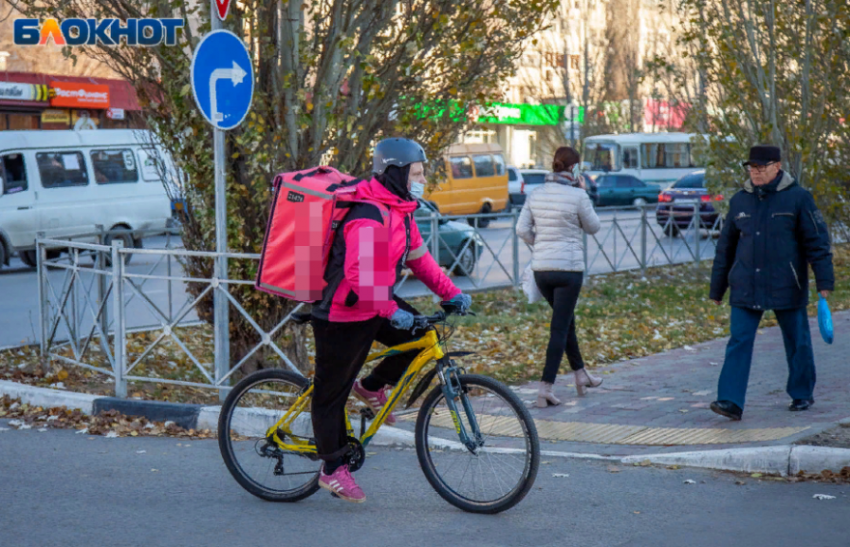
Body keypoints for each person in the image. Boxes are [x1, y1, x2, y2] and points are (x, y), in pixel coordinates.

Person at [309, 138, 472, 503]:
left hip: (376, 302)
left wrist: (451, 293)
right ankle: (332, 469)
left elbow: (421, 261)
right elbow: (357, 275)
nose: (422, 179)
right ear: (395, 173)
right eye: (417, 172)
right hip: (342, 312)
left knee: (422, 334)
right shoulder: (367, 214)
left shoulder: (401, 210)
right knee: (330, 394)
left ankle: (371, 386)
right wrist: (390, 311)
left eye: (422, 172)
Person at [708, 145, 834, 421]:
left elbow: (817, 243)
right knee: (739, 340)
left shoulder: (799, 199)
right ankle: (730, 400)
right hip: (746, 284)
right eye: (751, 168)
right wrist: (717, 288)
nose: (755, 172)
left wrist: (824, 281)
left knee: (797, 340)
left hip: (786, 282)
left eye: (760, 167)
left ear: (777, 166)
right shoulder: (740, 200)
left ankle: (801, 393)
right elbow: (725, 248)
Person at [516, 146, 602, 408]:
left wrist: (539, 246)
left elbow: (522, 229)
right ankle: (545, 389)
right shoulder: (578, 196)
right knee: (560, 328)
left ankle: (581, 374)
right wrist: (583, 191)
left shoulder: (536, 193)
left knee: (566, 323)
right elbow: (593, 227)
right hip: (568, 272)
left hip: (542, 271)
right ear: (574, 169)